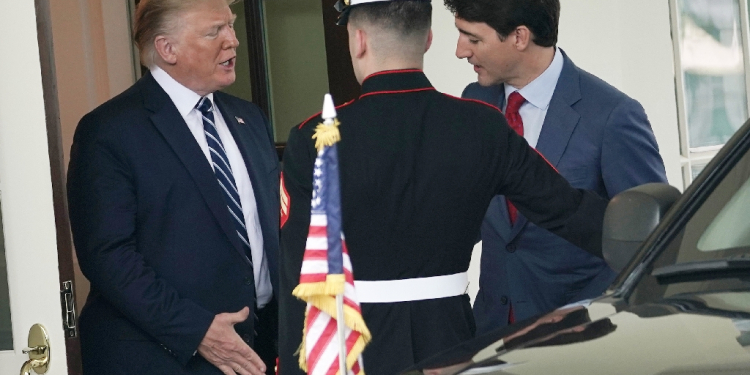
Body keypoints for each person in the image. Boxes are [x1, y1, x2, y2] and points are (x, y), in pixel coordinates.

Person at [279, 1, 610, 374]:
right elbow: (571, 212)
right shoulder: (482, 126)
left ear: (358, 41)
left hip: (355, 351)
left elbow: (301, 278)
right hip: (451, 344)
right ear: (428, 40)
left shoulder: (314, 138)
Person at [66, 0, 278, 374]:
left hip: (258, 352)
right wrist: (197, 331)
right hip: (162, 358)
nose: (233, 41)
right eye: (215, 31)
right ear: (167, 49)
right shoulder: (110, 131)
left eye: (230, 26)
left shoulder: (250, 118)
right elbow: (108, 256)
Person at [443, 0, 668, 334]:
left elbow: (650, 244)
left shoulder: (613, 116)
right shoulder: (474, 102)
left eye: (473, 39)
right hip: (489, 335)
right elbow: (466, 213)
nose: (460, 51)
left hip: (583, 341)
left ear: (520, 36)